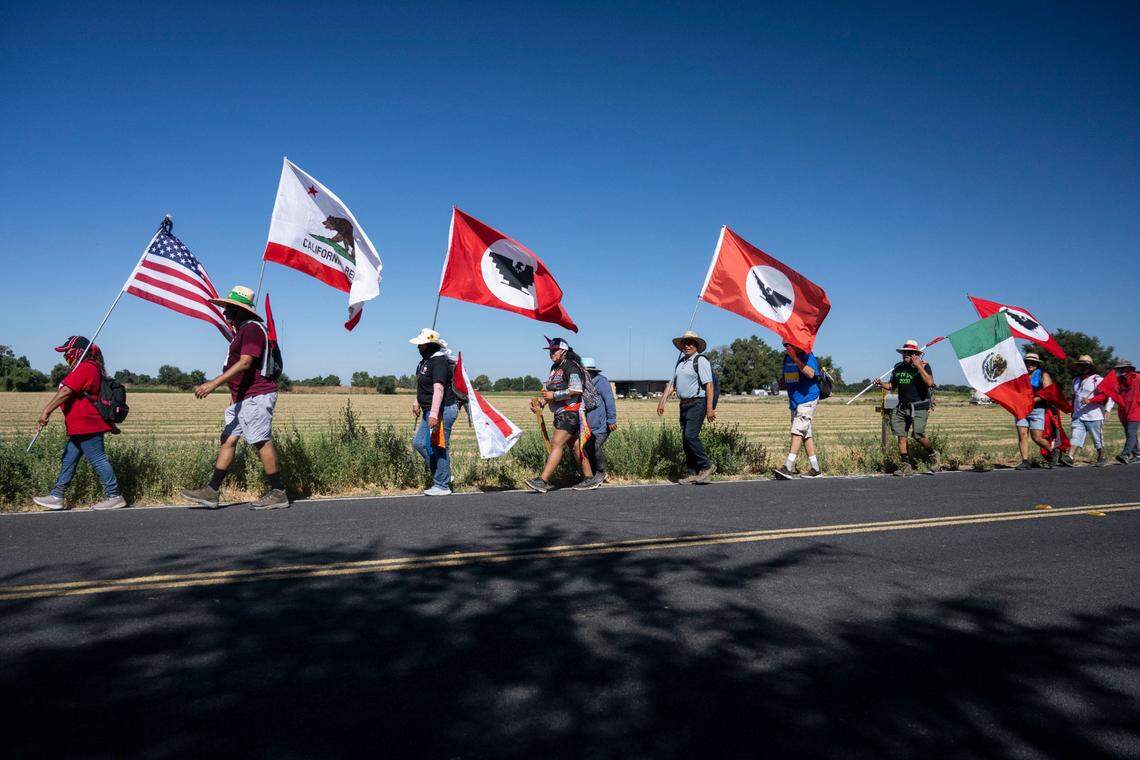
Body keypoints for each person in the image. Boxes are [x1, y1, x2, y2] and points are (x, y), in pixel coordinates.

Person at [180, 285, 288, 510]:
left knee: (261, 440)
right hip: (243, 398)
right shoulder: (244, 330)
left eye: (229, 308)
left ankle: (278, 493)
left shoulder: (251, 329)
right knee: (228, 439)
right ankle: (212, 491)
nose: (225, 312)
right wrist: (234, 396)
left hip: (257, 396)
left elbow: (246, 362)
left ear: (241, 310)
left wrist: (214, 383)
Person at [32, 336, 127, 511]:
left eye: (68, 353)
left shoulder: (86, 368)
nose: (66, 357)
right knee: (68, 459)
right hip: (79, 426)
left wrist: (46, 411)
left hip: (87, 424)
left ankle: (114, 495)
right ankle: (57, 496)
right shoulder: (88, 368)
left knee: (98, 459)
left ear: (79, 353)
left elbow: (66, 392)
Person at [526, 337, 593, 493]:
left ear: (564, 351)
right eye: (550, 351)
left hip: (571, 411)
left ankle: (543, 481)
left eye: (554, 350)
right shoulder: (554, 368)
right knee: (576, 446)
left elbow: (576, 390)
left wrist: (553, 396)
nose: (551, 353)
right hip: (561, 412)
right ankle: (589, 478)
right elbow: (551, 392)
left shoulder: (571, 366)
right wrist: (542, 403)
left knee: (557, 443)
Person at [657, 331, 717, 484]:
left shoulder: (701, 361)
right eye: (685, 343)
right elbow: (672, 385)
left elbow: (709, 385)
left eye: (691, 342)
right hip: (684, 405)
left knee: (690, 436)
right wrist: (662, 402)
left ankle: (706, 465)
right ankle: (692, 473)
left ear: (697, 346)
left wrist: (710, 409)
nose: (688, 345)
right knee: (685, 439)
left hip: (698, 403)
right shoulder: (681, 363)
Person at [875, 339, 941, 476]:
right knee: (901, 436)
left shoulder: (923, 366)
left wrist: (919, 366)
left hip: (919, 406)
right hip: (902, 406)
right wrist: (881, 384)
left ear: (916, 355)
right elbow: (892, 386)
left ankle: (934, 454)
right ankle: (906, 466)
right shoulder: (898, 367)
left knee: (918, 435)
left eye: (910, 353)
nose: (906, 354)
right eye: (905, 352)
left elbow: (930, 382)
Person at [409, 328, 460, 496]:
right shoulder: (425, 361)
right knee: (419, 443)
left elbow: (438, 389)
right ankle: (443, 474)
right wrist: (417, 402)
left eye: (421, 344)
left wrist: (433, 414)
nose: (418, 347)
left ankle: (442, 485)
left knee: (438, 445)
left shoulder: (438, 361)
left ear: (429, 345)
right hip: (430, 409)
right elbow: (423, 385)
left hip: (442, 410)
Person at [773, 341, 821, 479]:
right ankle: (815, 468)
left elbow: (811, 374)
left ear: (796, 343)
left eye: (788, 344)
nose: (786, 347)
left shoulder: (807, 355)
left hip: (808, 397)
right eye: (784, 345)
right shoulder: (786, 358)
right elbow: (786, 377)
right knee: (805, 434)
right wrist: (778, 384)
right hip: (795, 400)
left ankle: (788, 466)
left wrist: (795, 358)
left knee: (798, 430)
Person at [575, 357, 617, 490]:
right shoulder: (581, 384)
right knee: (587, 449)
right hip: (588, 425)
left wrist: (611, 420)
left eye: (587, 371)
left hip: (601, 424)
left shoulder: (601, 382)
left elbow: (609, 401)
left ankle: (601, 472)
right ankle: (592, 475)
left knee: (596, 446)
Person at [1087, 360, 1138, 464]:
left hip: (1136, 410)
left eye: (1123, 368)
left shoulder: (1138, 378)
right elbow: (1112, 395)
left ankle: (1125, 454)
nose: (1120, 370)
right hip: (1123, 411)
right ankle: (1137, 454)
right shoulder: (1118, 381)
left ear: (1129, 368)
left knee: (1131, 432)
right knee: (1130, 433)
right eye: (1119, 369)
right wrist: (1108, 410)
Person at [1064, 355, 1111, 467]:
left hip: (1094, 415)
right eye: (1080, 366)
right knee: (1075, 436)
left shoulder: (1098, 380)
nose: (1082, 368)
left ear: (1090, 367)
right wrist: (1072, 410)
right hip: (1078, 415)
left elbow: (1105, 396)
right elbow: (1074, 396)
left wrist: (1091, 400)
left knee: (1097, 439)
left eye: (1085, 366)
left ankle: (1101, 457)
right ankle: (1070, 457)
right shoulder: (1075, 380)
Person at [1014, 352, 1057, 470]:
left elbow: (1049, 393)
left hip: (1037, 409)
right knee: (1022, 435)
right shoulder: (1020, 376)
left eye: (1033, 363)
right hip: (1022, 409)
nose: (1030, 364)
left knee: (1036, 437)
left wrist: (1033, 400)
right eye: (1028, 362)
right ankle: (1025, 461)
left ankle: (1052, 452)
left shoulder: (1043, 375)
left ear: (1037, 364)